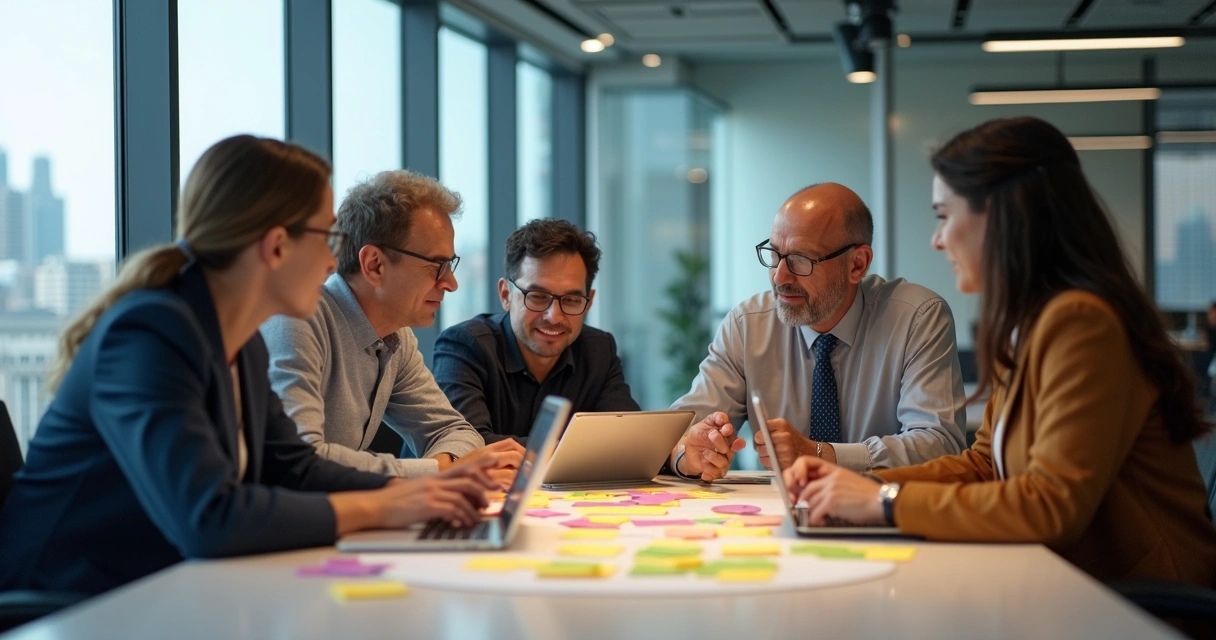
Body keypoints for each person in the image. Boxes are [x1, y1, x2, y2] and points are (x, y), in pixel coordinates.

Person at [0, 136, 495, 595]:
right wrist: (389, 503)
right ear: (277, 245)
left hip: (156, 587)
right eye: (326, 239)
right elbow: (209, 517)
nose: (332, 263)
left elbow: (295, 468)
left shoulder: (236, 341)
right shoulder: (150, 333)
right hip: (67, 601)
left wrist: (429, 490)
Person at [784, 117, 1216, 587]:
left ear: (1002, 215)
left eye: (945, 216)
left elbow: (1051, 506)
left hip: (1144, 604)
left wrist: (881, 502)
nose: (937, 239)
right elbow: (985, 465)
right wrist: (861, 489)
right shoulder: (1031, 322)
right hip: (1073, 584)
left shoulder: (1082, 322)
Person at [671, 183, 966, 482]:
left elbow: (940, 445)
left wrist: (823, 455)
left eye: (801, 260)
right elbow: (677, 434)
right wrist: (688, 455)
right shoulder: (748, 325)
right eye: (774, 255)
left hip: (883, 514)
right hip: (778, 517)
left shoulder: (917, 318)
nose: (780, 277)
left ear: (857, 264)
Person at [261, 170, 523, 485]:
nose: (450, 283)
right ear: (374, 264)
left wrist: (444, 466)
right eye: (436, 265)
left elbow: (454, 431)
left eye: (449, 266)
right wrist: (442, 470)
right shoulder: (298, 321)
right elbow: (303, 459)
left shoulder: (395, 337)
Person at [433, 219, 639, 443]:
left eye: (571, 300)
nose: (554, 317)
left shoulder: (599, 351)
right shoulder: (464, 346)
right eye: (538, 297)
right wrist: (584, 449)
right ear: (505, 295)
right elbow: (470, 448)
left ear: (588, 304)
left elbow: (627, 439)